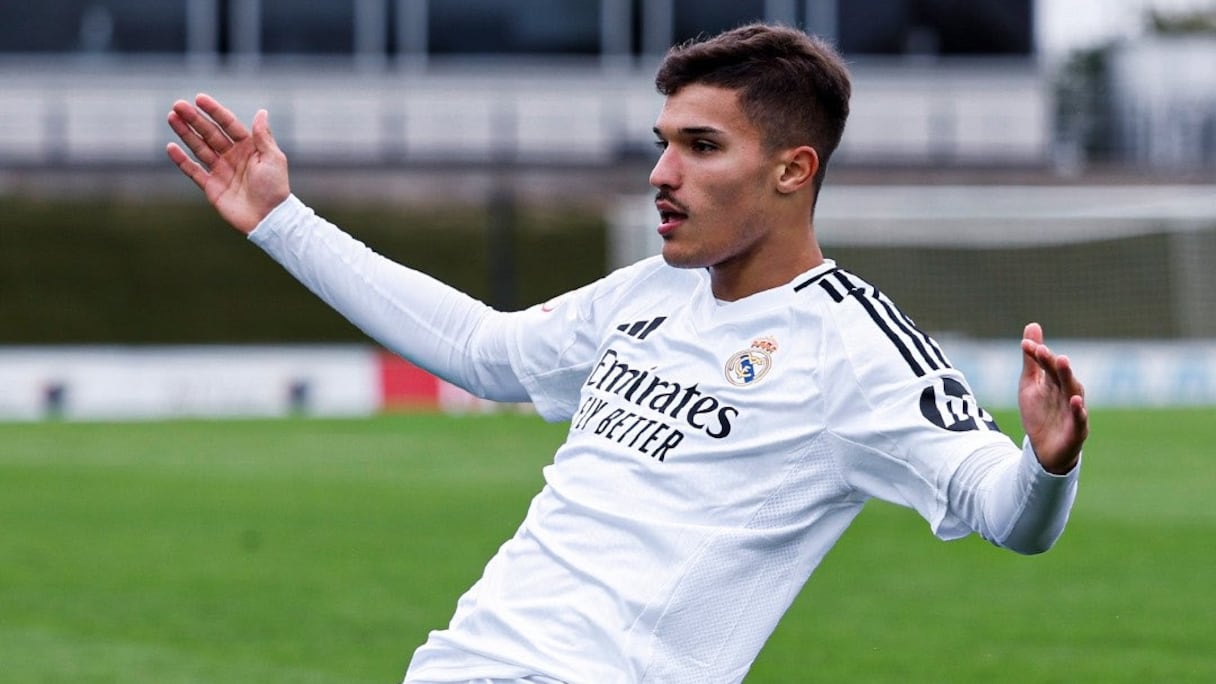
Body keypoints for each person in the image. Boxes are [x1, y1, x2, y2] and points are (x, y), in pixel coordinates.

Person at [166, 22, 1088, 684]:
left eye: (701, 147)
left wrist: (1046, 464)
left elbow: (1005, 512)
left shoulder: (854, 345)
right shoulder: (650, 291)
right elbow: (482, 349)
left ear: (792, 169)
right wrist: (281, 221)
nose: (661, 173)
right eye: (663, 144)